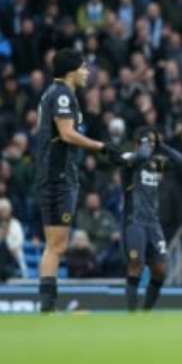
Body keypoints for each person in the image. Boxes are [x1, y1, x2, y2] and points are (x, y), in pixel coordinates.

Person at [33, 48, 122, 312]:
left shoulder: (53, 93)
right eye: (83, 68)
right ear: (71, 71)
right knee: (57, 244)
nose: (87, 73)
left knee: (54, 245)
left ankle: (47, 306)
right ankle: (47, 306)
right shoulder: (62, 95)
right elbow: (67, 133)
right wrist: (101, 146)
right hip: (58, 176)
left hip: (53, 174)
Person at [119, 127, 182, 312]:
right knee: (136, 265)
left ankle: (146, 312)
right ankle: (132, 314)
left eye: (151, 142)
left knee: (160, 270)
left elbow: (181, 162)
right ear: (137, 143)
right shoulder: (129, 159)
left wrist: (162, 146)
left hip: (153, 223)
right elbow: (139, 157)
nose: (150, 145)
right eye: (145, 141)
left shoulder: (157, 163)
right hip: (134, 221)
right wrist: (144, 146)